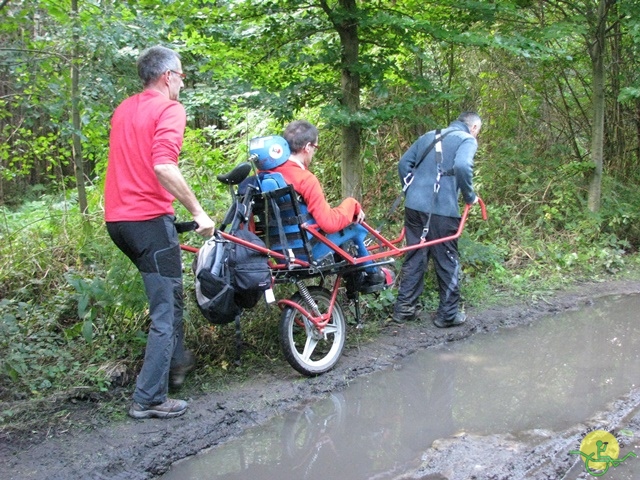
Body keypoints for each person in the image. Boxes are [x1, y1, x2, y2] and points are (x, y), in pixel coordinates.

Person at [104, 45, 215, 419]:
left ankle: (177, 366)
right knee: (165, 309)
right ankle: (149, 398)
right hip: (148, 222)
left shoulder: (123, 109)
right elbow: (164, 166)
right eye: (181, 76)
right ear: (168, 76)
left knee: (169, 293)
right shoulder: (169, 109)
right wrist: (199, 213)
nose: (183, 84)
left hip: (118, 222)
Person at [256, 120, 390, 291]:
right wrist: (352, 204)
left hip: (280, 255)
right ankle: (373, 275)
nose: (314, 153)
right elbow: (329, 223)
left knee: (340, 226)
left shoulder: (263, 176)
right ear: (307, 147)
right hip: (305, 253)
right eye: (315, 148)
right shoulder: (305, 179)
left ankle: (358, 275)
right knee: (355, 227)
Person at [391, 112, 481, 327]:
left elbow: (403, 165)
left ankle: (404, 309)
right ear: (474, 127)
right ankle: (448, 315)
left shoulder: (429, 136)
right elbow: (462, 166)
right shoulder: (467, 139)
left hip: (413, 207)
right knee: (447, 258)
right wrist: (470, 196)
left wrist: (413, 193)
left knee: (415, 255)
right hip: (442, 210)